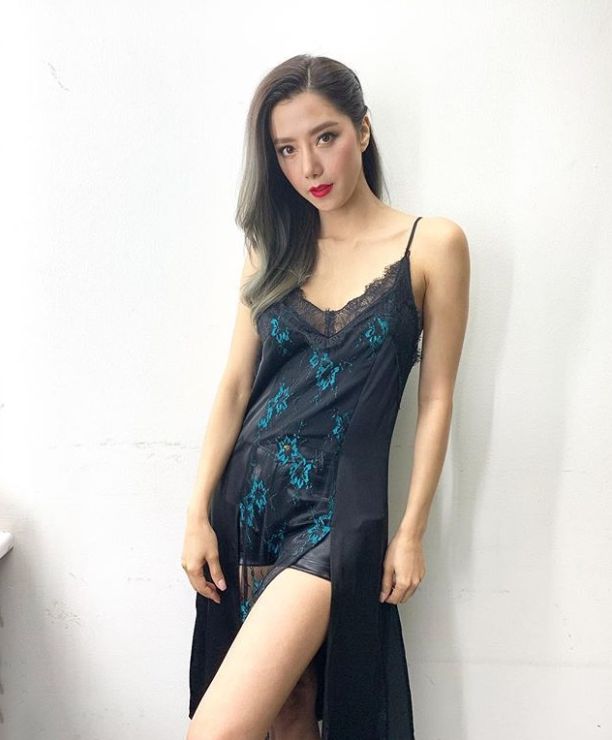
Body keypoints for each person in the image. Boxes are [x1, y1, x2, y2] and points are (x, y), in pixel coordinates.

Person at [182, 53, 469, 740]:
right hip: (246, 507)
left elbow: (436, 398)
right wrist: (195, 513)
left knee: (217, 731)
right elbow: (235, 386)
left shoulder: (433, 245)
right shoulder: (272, 249)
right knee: (288, 714)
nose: (309, 166)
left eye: (325, 137)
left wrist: (411, 531)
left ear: (363, 130)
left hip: (336, 522)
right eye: (286, 149)